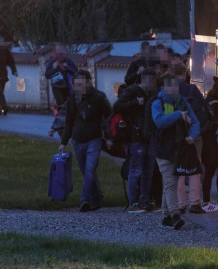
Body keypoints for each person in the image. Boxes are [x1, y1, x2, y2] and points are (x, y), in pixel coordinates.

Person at [151, 71, 200, 230]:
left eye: (175, 85)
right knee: (171, 182)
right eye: (169, 85)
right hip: (163, 150)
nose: (173, 88)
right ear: (163, 87)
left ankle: (166, 216)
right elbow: (160, 122)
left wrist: (192, 136)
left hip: (179, 149)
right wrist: (178, 115)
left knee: (169, 182)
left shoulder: (184, 102)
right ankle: (175, 215)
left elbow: (196, 123)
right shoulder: (157, 103)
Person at [58, 69, 112, 212]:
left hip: (94, 138)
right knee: (87, 172)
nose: (79, 88)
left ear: (89, 83)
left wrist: (109, 136)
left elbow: (109, 116)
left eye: (82, 84)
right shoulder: (72, 99)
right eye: (76, 84)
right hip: (77, 140)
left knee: (90, 170)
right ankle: (97, 197)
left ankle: (84, 200)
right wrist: (63, 141)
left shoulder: (99, 98)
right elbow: (69, 121)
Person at [113, 68, 159, 214]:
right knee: (136, 170)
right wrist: (134, 103)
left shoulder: (152, 94)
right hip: (136, 136)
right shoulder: (133, 91)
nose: (154, 84)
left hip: (149, 135)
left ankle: (145, 201)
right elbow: (117, 106)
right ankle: (133, 202)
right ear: (145, 79)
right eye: (153, 80)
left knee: (148, 170)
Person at [176, 65, 209, 215]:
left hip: (178, 138)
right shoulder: (193, 90)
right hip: (195, 136)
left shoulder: (169, 93)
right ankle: (195, 202)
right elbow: (204, 107)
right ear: (185, 73)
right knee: (195, 167)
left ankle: (180, 203)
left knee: (179, 170)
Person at [202, 77, 218, 212]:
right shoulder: (216, 102)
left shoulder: (212, 99)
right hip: (213, 140)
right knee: (214, 170)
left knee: (215, 170)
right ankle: (208, 200)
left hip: (211, 139)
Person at [45, 44, 78, 108]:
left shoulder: (68, 61)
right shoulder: (52, 62)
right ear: (54, 53)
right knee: (61, 108)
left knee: (70, 107)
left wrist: (68, 67)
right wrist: (54, 68)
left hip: (69, 89)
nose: (59, 54)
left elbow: (76, 73)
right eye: (58, 52)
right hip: (57, 89)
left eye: (61, 52)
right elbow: (47, 75)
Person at [0, 37, 18, 116]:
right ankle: (3, 108)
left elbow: (11, 62)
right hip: (2, 74)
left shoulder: (5, 51)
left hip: (3, 75)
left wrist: (14, 71)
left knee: (1, 93)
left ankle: (3, 108)